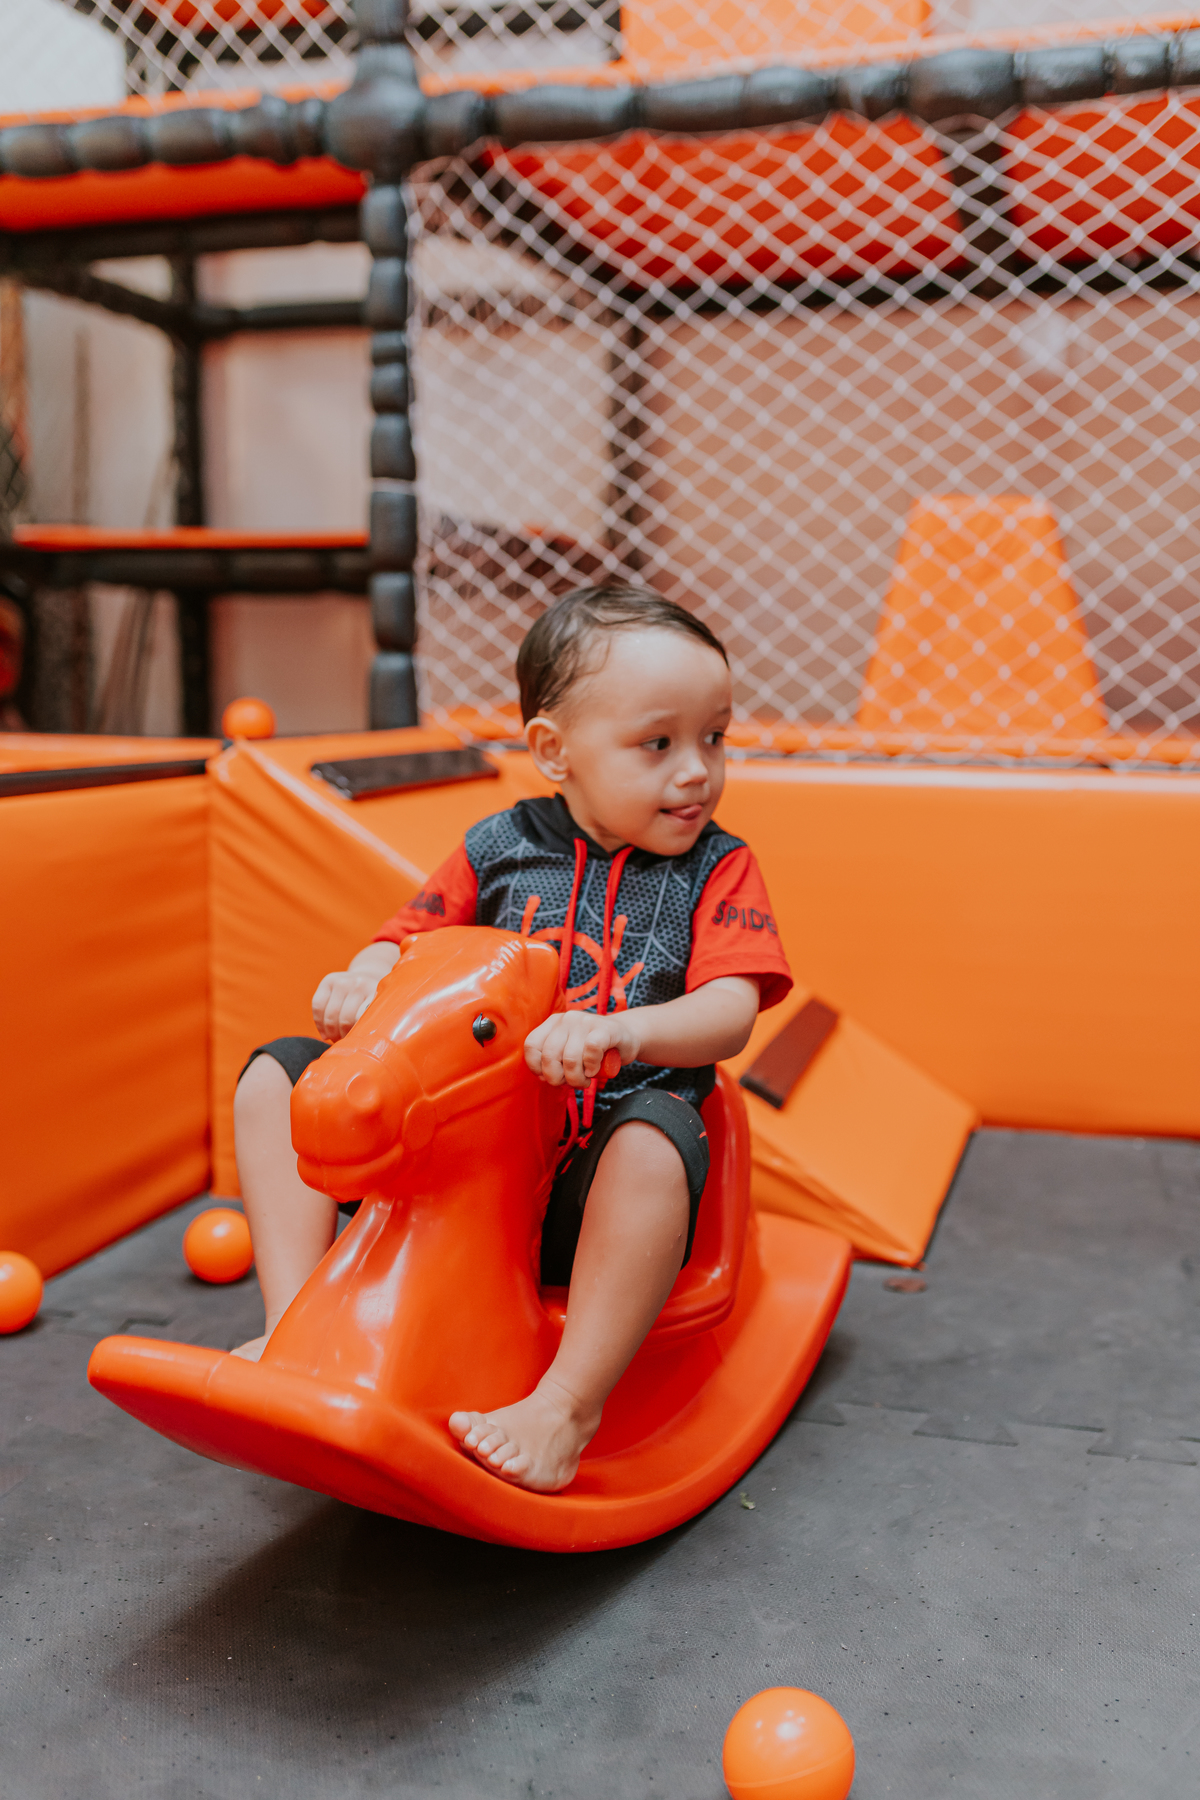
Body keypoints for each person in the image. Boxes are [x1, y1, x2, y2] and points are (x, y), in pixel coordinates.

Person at [231, 584, 792, 1492]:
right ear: (553, 752)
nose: (696, 771)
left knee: (653, 1139)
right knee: (274, 1078)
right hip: (463, 1166)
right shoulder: (497, 847)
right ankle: (300, 1323)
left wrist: (624, 1032)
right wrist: (364, 977)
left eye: (714, 738)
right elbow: (402, 941)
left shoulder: (718, 868)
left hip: (583, 1189)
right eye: (659, 744)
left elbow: (731, 1010)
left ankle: (564, 1405)